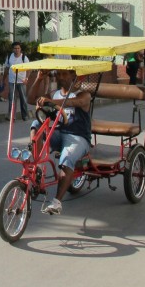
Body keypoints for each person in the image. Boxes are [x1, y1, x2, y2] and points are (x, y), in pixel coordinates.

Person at [30, 69, 92, 215]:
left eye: (65, 74)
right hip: (58, 133)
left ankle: (57, 202)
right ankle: (38, 166)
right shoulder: (55, 93)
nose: (61, 77)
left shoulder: (83, 95)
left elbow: (74, 102)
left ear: (73, 76)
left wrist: (52, 102)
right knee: (36, 124)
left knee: (67, 157)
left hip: (78, 137)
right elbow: (31, 99)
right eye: (59, 74)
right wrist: (38, 79)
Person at [3, 42, 30, 122]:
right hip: (12, 81)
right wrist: (4, 79)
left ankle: (25, 116)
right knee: (12, 99)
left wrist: (26, 78)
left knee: (23, 99)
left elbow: (29, 69)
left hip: (21, 81)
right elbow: (7, 68)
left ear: (20, 49)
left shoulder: (24, 58)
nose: (17, 50)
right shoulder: (9, 57)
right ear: (13, 49)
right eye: (15, 48)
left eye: (18, 48)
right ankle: (12, 116)